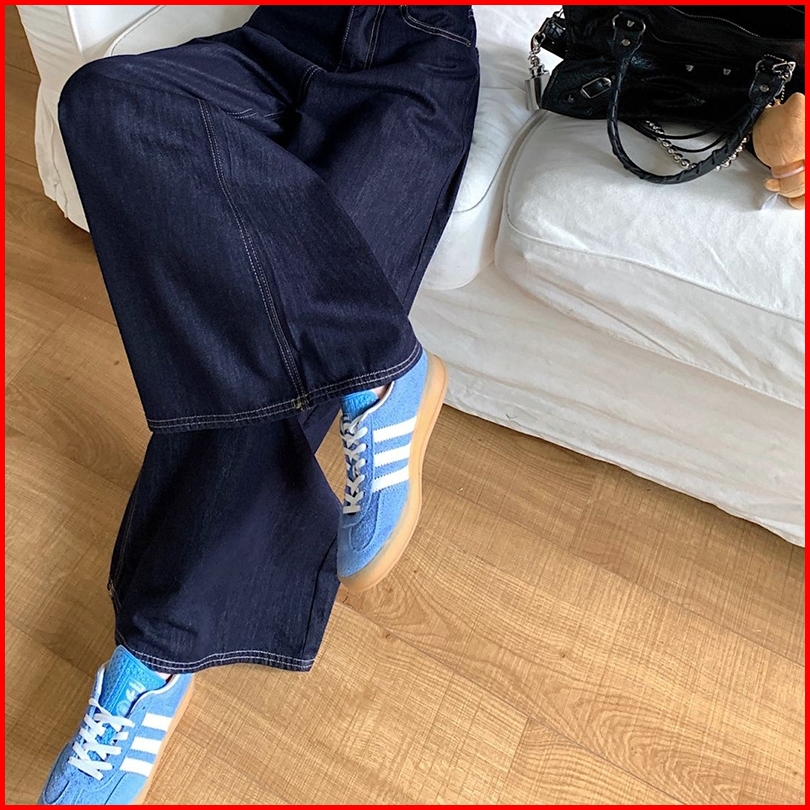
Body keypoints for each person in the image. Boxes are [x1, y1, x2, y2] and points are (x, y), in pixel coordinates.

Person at [38, 5, 479, 805]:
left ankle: (153, 658)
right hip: (276, 42)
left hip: (412, 64)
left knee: (266, 349)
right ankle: (377, 366)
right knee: (99, 100)